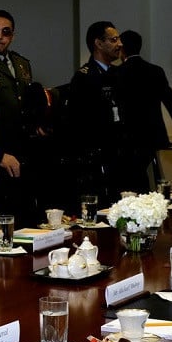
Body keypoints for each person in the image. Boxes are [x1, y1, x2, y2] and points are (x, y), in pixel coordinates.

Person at [0, 10, 53, 227]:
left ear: (12, 36)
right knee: (2, 221)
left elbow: (27, 105)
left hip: (25, 152)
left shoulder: (21, 64)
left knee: (28, 219)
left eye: (5, 32)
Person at [117, 30, 172, 191]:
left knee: (131, 179)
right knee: (151, 173)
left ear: (121, 49)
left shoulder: (118, 73)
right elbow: (171, 102)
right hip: (152, 134)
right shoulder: (155, 70)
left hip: (126, 135)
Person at [67, 21, 127, 209]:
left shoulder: (119, 74)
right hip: (95, 161)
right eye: (114, 39)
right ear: (98, 44)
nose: (120, 44)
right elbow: (79, 123)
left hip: (119, 156)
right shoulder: (84, 77)